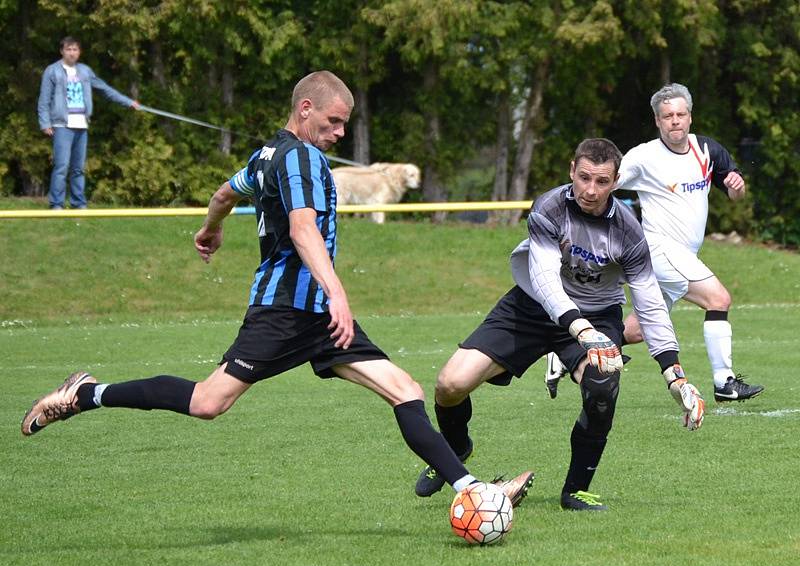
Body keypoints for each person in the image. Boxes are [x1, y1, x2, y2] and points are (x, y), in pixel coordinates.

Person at [22, 71, 532, 508]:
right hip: (287, 309)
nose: (338, 133)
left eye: (344, 125)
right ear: (305, 109)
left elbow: (225, 191)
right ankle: (84, 395)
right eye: (332, 122)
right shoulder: (301, 159)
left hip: (314, 315)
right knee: (207, 402)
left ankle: (474, 492)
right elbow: (302, 228)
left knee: (406, 391)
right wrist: (337, 293)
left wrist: (211, 228)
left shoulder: (268, 154)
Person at [414, 138, 706, 511]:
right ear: (572, 171)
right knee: (450, 384)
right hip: (533, 305)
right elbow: (546, 278)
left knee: (602, 386)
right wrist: (580, 330)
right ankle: (456, 447)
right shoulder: (549, 207)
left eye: (602, 181)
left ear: (616, 181)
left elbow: (650, 305)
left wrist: (674, 375)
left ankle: (575, 491)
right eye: (584, 177)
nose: (590, 189)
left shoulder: (630, 233)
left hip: (599, 313)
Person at [544, 84, 764, 403]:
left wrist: (736, 185)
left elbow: (734, 192)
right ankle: (724, 382)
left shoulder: (708, 151)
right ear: (658, 122)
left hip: (682, 256)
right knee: (718, 299)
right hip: (658, 247)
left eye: (680, 114)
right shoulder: (645, 157)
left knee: (639, 330)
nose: (675, 120)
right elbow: (604, 183)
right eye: (667, 116)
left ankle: (568, 349)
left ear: (689, 117)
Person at [37, 36, 140, 209]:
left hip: (81, 125)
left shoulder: (85, 71)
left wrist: (128, 102)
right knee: (62, 166)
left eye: (75, 49)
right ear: (62, 51)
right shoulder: (52, 71)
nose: (72, 53)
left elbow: (105, 89)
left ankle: (78, 203)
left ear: (79, 52)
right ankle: (56, 204)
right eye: (68, 49)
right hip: (62, 125)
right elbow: (44, 99)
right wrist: (45, 123)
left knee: (78, 168)